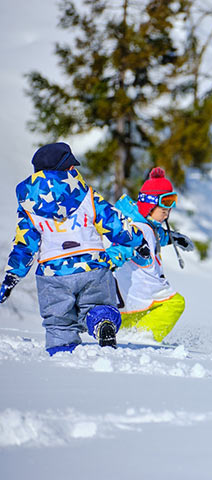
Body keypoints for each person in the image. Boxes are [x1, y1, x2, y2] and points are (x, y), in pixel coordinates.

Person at [0, 142, 149, 355]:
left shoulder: (29, 205)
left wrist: (11, 278)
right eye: (72, 167)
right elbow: (114, 222)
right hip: (92, 267)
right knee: (98, 306)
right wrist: (138, 242)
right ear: (66, 169)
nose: (75, 170)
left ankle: (63, 357)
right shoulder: (86, 195)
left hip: (53, 272)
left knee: (59, 322)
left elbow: (25, 244)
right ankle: (101, 322)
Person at [111, 167, 194, 342]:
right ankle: (144, 340)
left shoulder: (145, 225)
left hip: (130, 293)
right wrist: (109, 260)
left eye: (171, 205)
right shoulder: (139, 228)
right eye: (164, 205)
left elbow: (155, 236)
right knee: (175, 303)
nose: (168, 211)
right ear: (149, 203)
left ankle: (130, 340)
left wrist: (173, 239)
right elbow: (125, 245)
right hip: (142, 289)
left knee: (127, 325)